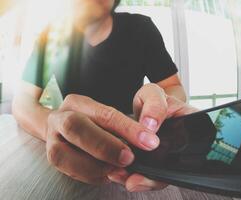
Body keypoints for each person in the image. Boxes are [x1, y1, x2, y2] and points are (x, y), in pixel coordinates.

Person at [12, 0, 198, 192]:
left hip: (137, 150)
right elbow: (23, 100)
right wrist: (53, 126)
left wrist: (158, 105)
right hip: (72, 157)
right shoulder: (51, 36)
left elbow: (173, 86)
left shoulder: (141, 29)